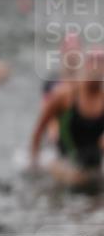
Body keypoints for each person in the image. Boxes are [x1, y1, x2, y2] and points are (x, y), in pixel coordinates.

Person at [30, 50, 104, 194]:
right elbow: (39, 130)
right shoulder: (64, 96)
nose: (98, 69)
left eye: (101, 64)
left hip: (94, 165)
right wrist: (34, 165)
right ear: (86, 67)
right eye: (94, 64)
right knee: (76, 179)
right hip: (64, 162)